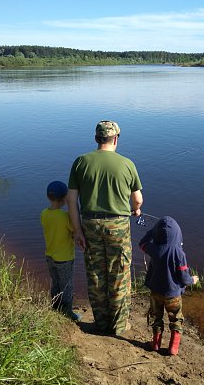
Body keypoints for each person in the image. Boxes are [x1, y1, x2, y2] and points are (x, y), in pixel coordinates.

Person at [67, 120, 143, 335]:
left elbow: (71, 200)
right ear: (116, 139)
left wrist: (77, 231)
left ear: (96, 139)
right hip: (118, 224)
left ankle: (100, 323)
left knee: (95, 273)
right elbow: (137, 200)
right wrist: (135, 209)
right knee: (119, 273)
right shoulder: (127, 164)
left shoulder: (80, 162)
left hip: (89, 224)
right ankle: (118, 327)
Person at [139, 215, 199, 355]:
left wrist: (152, 232)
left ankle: (155, 344)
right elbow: (184, 279)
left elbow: (142, 243)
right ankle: (173, 347)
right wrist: (193, 280)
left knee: (156, 316)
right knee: (176, 318)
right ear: (178, 235)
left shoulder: (154, 248)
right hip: (173, 295)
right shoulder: (179, 253)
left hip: (155, 292)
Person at [40, 180, 81, 322]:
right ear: (65, 198)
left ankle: (55, 307)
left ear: (48, 197)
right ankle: (67, 312)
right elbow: (75, 230)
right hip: (64, 258)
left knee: (55, 283)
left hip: (50, 256)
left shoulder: (44, 214)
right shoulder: (65, 217)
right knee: (67, 285)